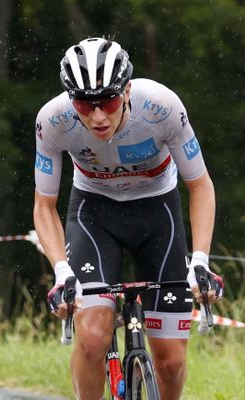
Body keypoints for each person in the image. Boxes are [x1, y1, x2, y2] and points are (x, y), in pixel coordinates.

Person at [32, 37, 223, 400]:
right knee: (91, 338)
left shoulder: (162, 107)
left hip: (158, 213)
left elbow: (200, 185)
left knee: (169, 361)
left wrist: (200, 260)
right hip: (94, 214)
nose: (98, 115)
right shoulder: (53, 120)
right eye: (85, 105)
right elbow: (44, 205)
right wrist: (61, 271)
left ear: (127, 90)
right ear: (71, 100)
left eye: (108, 101)